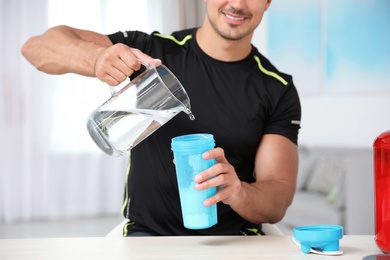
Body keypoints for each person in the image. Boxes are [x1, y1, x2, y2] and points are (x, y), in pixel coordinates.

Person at [21, 0, 301, 236]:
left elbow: (277, 199)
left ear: (267, 2)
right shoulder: (150, 54)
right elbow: (36, 49)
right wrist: (96, 58)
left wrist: (237, 192)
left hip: (234, 242)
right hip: (145, 238)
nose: (237, 4)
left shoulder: (277, 89)